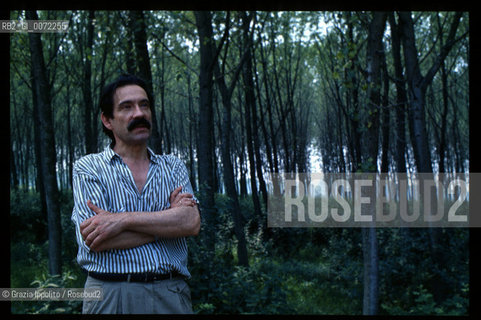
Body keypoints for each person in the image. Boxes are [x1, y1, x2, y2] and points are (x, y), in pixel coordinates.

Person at [71, 74, 201, 314]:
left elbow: (191, 222)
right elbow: (96, 240)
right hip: (109, 296)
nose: (139, 113)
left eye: (144, 105)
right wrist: (168, 221)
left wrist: (121, 220)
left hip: (170, 294)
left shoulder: (173, 166)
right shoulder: (88, 167)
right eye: (126, 107)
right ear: (107, 120)